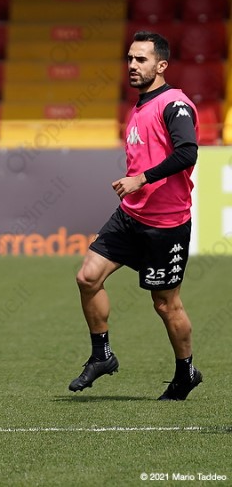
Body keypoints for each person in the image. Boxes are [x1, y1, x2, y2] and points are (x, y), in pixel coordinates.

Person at [69, 31, 202, 400]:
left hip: (166, 224)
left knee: (165, 305)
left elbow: (188, 152)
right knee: (87, 277)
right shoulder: (140, 106)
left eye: (141, 59)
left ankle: (186, 372)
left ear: (161, 66)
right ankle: (102, 355)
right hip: (130, 216)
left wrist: (141, 178)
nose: (132, 65)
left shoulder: (174, 104)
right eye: (129, 58)